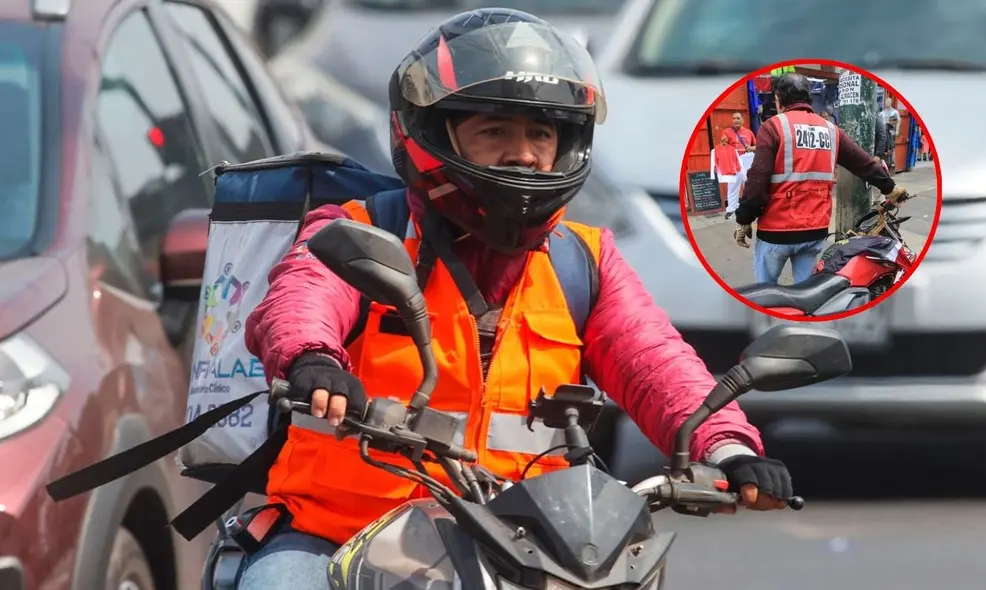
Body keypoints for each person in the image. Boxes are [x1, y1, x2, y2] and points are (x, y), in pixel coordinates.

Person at [236, 9, 793, 589]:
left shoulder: (585, 262)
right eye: (494, 131)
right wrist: (313, 360)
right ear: (429, 135)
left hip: (527, 548)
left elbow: (656, 363)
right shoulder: (360, 230)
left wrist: (726, 446)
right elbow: (300, 299)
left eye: (541, 134)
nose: (523, 153)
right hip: (339, 533)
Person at [733, 73, 907, 284]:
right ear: (807, 99)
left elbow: (756, 181)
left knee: (766, 293)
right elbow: (863, 163)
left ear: (778, 100)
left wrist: (744, 219)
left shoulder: (773, 127)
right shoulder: (831, 130)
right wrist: (890, 187)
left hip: (776, 232)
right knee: (809, 293)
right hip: (814, 232)